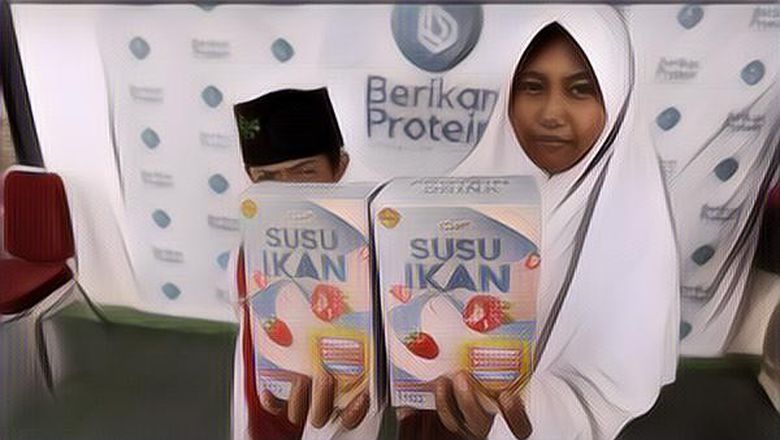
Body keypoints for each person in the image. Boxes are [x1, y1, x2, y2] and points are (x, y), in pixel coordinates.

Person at [415, 7, 680, 440]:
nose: (551, 113)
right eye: (532, 87)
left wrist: (518, 411)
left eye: (581, 90)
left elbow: (610, 395)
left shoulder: (638, 237)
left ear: (617, 101)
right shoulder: (442, 209)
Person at [230, 88, 376, 440]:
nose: (287, 192)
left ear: (340, 166)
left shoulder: (369, 249)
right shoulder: (247, 250)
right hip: (261, 414)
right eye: (267, 178)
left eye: (304, 172)